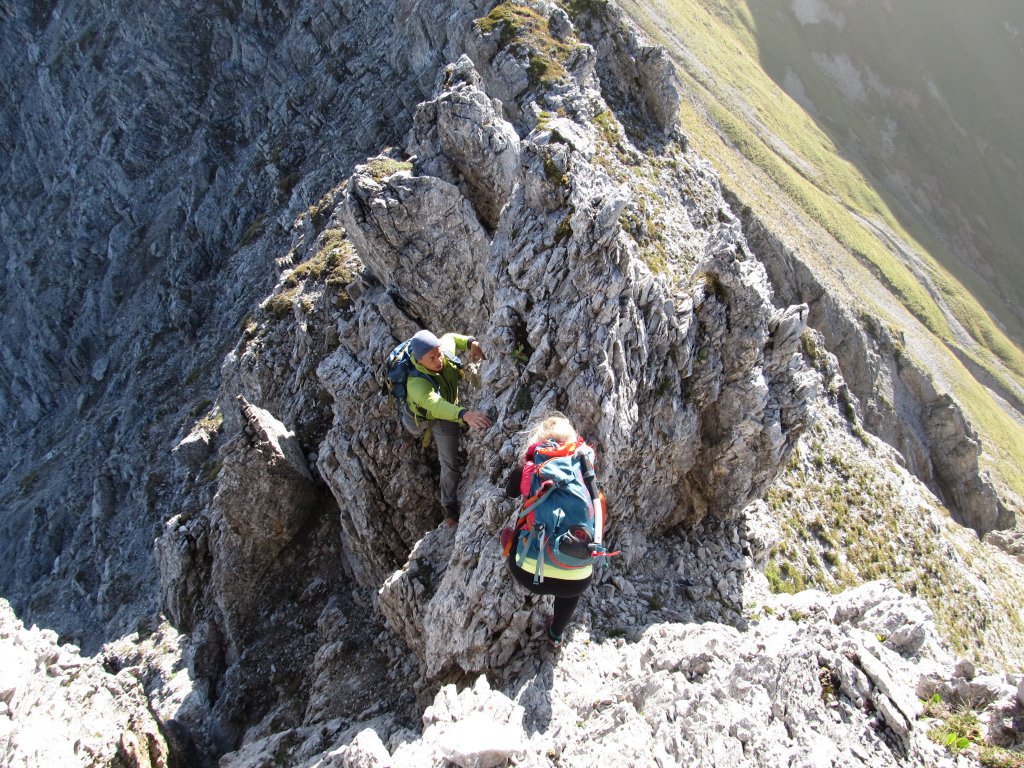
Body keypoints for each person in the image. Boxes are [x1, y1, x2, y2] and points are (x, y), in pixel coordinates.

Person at [501, 413, 602, 648]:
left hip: (527, 575)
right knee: (572, 579)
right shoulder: (585, 470)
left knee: (511, 534)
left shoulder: (529, 468)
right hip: (576, 580)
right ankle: (556, 634)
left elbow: (510, 493)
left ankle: (512, 546)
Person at [401, 329, 492, 525]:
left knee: (449, 461)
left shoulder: (442, 350)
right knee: (416, 431)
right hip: (422, 417)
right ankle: (449, 506)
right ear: (420, 360)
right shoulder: (416, 384)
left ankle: (448, 505)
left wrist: (471, 343)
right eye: (432, 358)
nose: (439, 360)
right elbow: (435, 405)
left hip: (445, 413)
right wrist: (465, 415)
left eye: (439, 354)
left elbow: (451, 338)